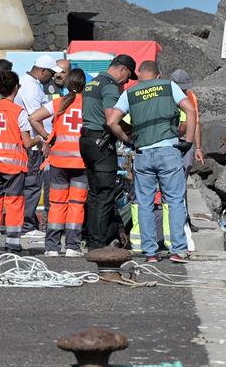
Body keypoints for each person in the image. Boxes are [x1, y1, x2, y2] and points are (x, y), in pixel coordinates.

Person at [106, 60, 196, 263]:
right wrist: (188, 141)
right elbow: (190, 110)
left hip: (143, 154)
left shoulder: (130, 92)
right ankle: (179, 250)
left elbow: (112, 121)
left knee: (144, 203)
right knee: (174, 200)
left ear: (139, 74)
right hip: (168, 152)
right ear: (158, 74)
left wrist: (127, 139)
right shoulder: (168, 86)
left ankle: (150, 253)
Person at [80, 54, 137, 250]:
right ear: (122, 69)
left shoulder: (93, 82)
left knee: (95, 193)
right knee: (105, 194)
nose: (127, 82)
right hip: (101, 143)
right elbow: (111, 119)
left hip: (86, 141)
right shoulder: (110, 85)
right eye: (128, 76)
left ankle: (92, 238)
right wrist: (127, 138)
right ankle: (98, 243)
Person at [28, 68, 88, 257]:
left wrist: (47, 137)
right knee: (76, 204)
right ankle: (72, 246)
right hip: (81, 162)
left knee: (56, 203)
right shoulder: (89, 103)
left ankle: (52, 247)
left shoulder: (59, 103)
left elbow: (33, 118)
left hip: (59, 160)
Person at [0, 70, 39, 255]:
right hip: (12, 167)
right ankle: (13, 244)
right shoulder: (18, 112)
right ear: (16, 88)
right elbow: (27, 142)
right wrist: (42, 139)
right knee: (14, 203)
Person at [15, 55, 62, 238]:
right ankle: (26, 226)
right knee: (32, 185)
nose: (52, 77)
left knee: (32, 185)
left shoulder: (30, 84)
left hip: (35, 143)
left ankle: (28, 222)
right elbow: (34, 118)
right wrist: (46, 139)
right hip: (34, 145)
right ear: (42, 70)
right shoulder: (31, 88)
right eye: (50, 73)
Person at [170, 68, 203, 232]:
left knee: (182, 181)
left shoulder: (191, 96)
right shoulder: (167, 95)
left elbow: (195, 123)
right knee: (173, 183)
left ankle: (185, 219)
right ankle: (178, 220)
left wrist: (198, 147)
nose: (183, 90)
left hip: (186, 142)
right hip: (172, 142)